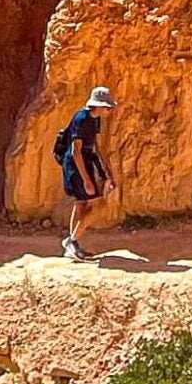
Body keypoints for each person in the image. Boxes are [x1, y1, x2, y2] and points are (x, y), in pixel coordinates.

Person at [52, 86, 116, 262]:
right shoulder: (81, 119)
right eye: (107, 107)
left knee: (82, 205)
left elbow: (96, 145)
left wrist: (106, 171)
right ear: (98, 106)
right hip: (75, 165)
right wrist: (87, 180)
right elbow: (76, 151)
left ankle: (72, 245)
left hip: (85, 163)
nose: (109, 110)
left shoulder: (94, 120)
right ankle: (72, 241)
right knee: (100, 204)